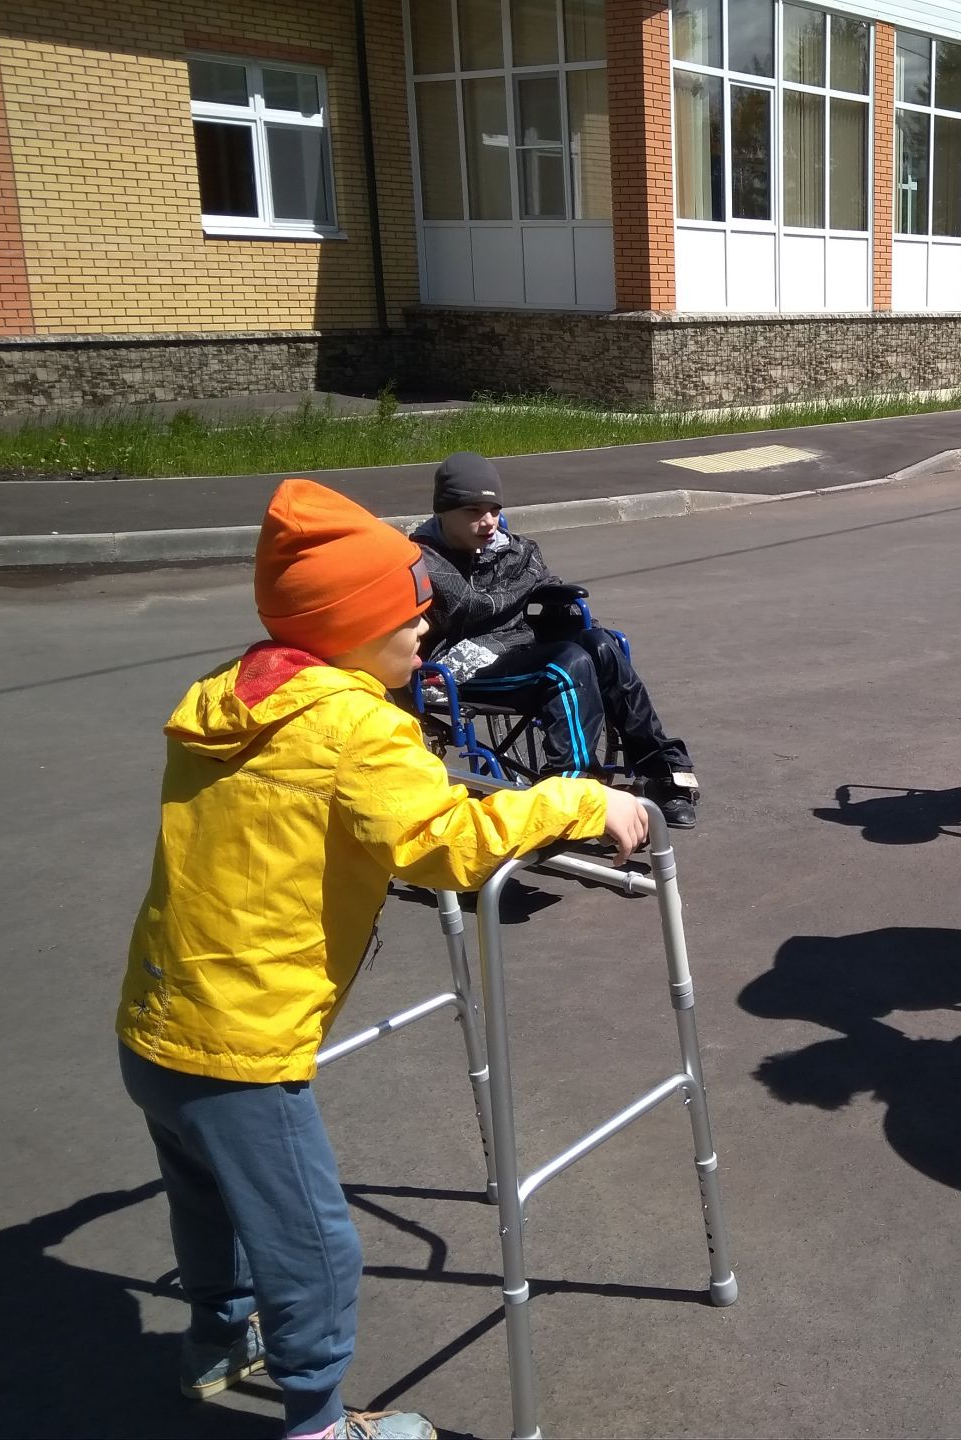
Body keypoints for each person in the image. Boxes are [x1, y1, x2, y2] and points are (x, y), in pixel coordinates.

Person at [117, 479, 648, 1439]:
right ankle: (319, 1422)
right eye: (411, 619)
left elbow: (321, 798)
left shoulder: (234, 695)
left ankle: (214, 1343)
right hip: (244, 1047)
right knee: (313, 1246)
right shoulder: (358, 728)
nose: (425, 636)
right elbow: (444, 843)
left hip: (157, 1021)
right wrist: (578, 798)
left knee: (206, 1199)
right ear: (350, 629)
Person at [412, 451, 701, 828]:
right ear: (443, 511)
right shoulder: (421, 560)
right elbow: (439, 621)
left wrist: (576, 626)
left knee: (600, 645)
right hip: (459, 668)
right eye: (473, 511)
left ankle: (661, 770)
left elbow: (546, 589)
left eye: (494, 510)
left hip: (518, 647)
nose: (487, 522)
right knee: (566, 664)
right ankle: (572, 795)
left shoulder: (516, 552)